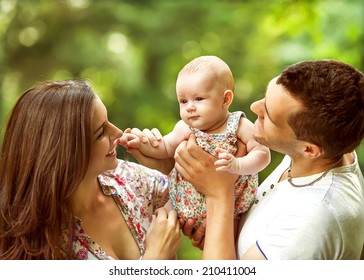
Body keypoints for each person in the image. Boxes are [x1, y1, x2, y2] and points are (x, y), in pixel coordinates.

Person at [172, 59, 364, 260]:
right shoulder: (319, 153)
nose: (254, 108)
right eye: (265, 98)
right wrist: (219, 236)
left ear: (309, 149)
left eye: (269, 115)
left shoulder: (310, 221)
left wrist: (218, 195)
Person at [0, 80, 181, 260]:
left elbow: (201, 202)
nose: (118, 133)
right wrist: (154, 260)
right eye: (101, 132)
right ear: (66, 153)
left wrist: (172, 165)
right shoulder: (39, 245)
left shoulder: (133, 182)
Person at [120, 55, 270, 229]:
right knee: (159, 222)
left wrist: (238, 164)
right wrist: (139, 143)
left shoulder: (238, 125)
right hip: (182, 203)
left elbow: (262, 154)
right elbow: (164, 147)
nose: (189, 107)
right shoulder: (185, 127)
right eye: (183, 101)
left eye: (198, 99)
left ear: (225, 99)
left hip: (232, 210)